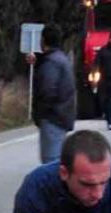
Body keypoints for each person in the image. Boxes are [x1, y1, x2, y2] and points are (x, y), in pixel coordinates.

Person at [30, 24, 75, 164]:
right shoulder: (60, 59)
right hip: (62, 115)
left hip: (52, 117)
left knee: (51, 161)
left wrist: (40, 114)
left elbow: (47, 90)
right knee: (56, 159)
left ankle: (54, 186)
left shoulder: (51, 62)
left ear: (42, 40)